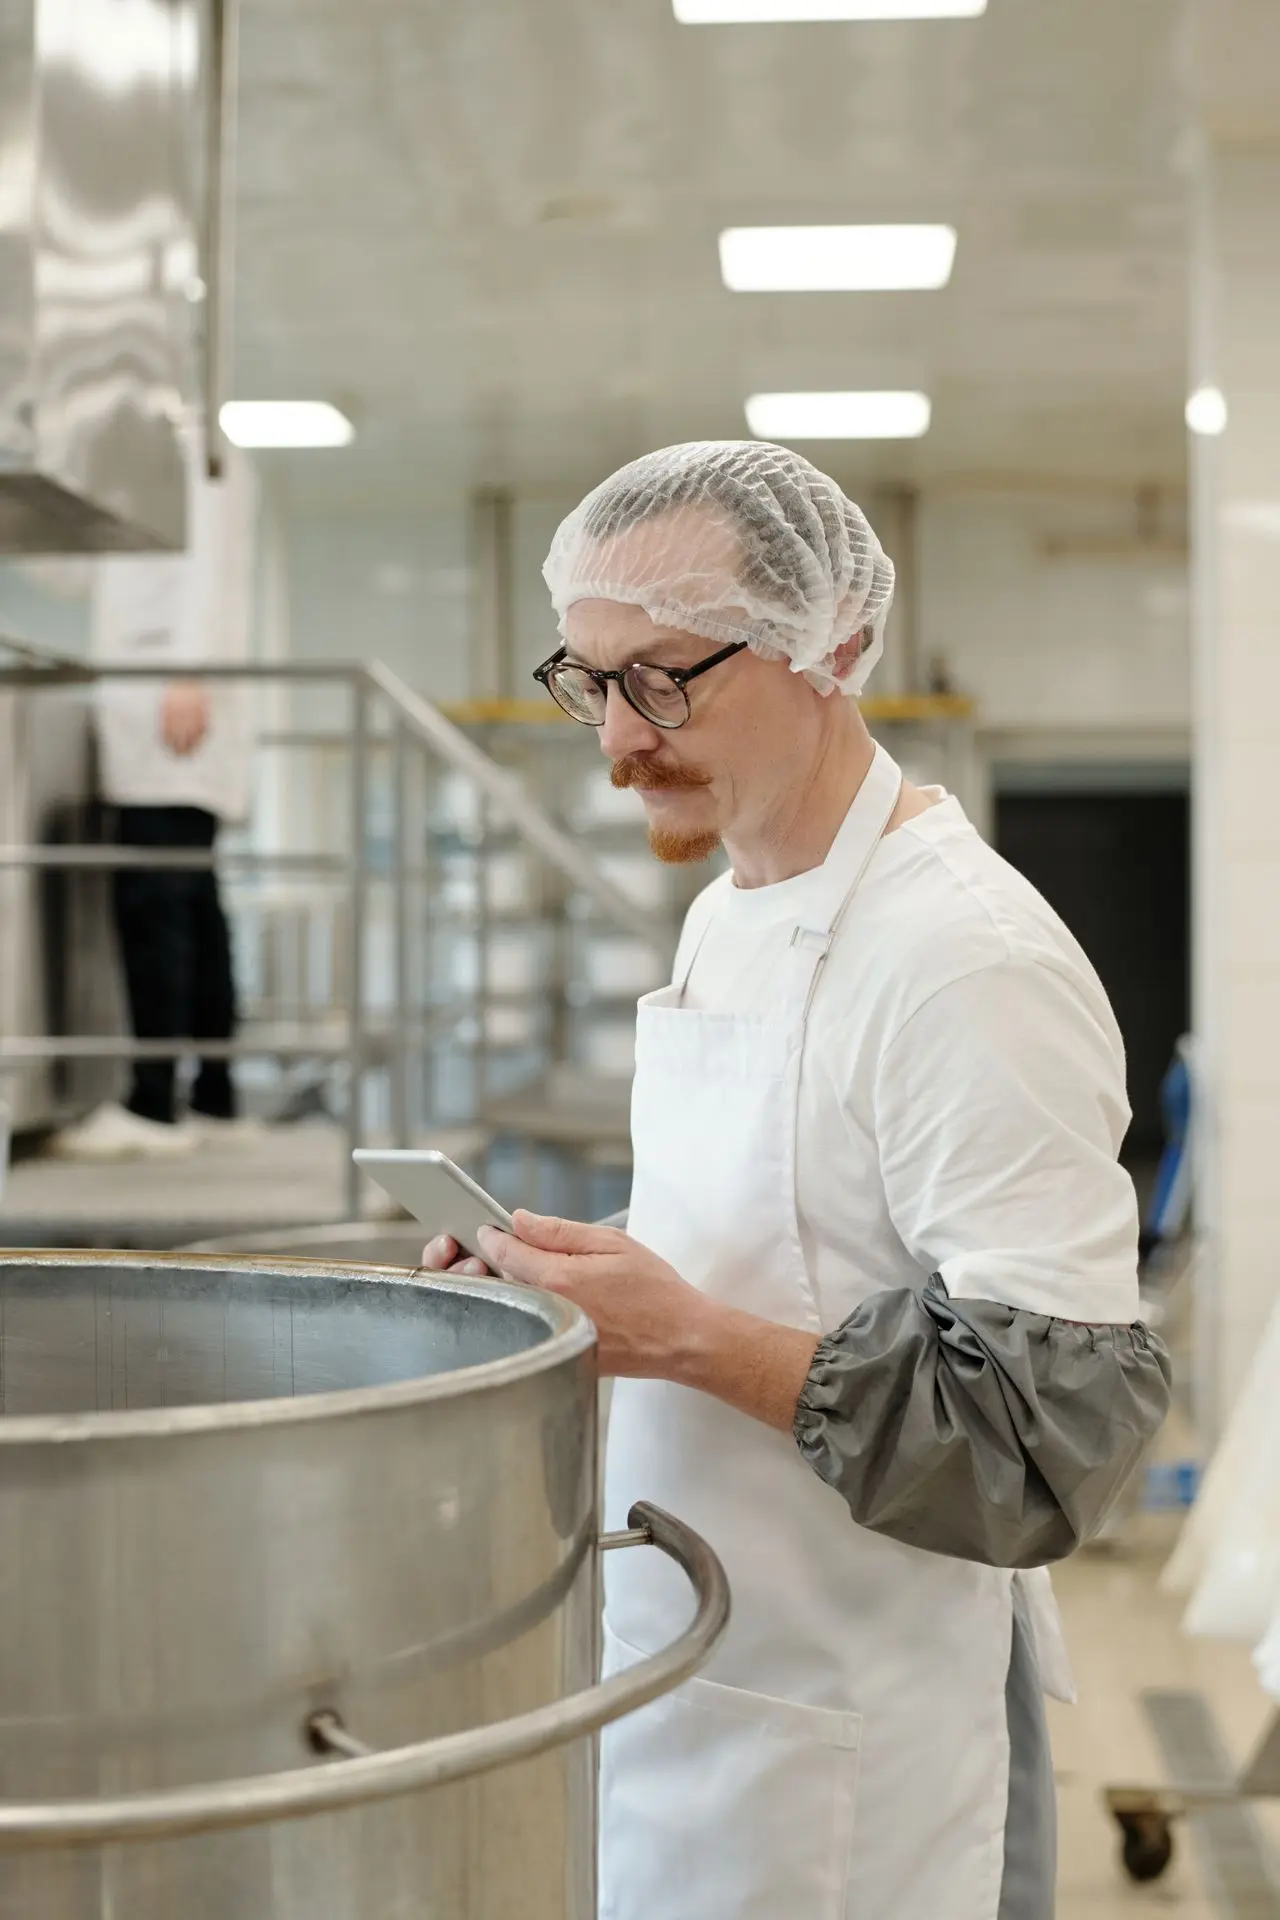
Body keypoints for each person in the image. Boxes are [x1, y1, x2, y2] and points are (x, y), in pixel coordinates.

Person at [422, 442, 1171, 1920]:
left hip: (872, 1743)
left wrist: (680, 1337)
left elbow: (1055, 1434)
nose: (617, 744)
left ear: (824, 645)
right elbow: (796, 1234)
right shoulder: (731, 917)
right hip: (699, 1676)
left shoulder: (966, 958)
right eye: (588, 681)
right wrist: (580, 1282)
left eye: (663, 681)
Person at [52, 432, 258, 1162]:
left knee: (158, 908)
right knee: (191, 905)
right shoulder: (148, 457)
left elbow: (213, 568)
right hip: (156, 699)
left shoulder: (190, 444)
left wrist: (189, 671)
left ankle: (153, 1101)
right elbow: (84, 575)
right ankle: (212, 1094)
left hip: (170, 704)